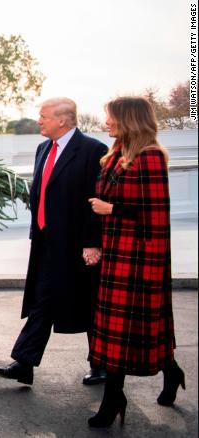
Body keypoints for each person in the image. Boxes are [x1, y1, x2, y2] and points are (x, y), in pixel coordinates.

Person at [0, 97, 108, 385]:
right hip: (46, 243)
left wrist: (92, 242)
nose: (39, 121)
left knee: (88, 303)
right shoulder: (43, 148)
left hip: (78, 245)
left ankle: (102, 365)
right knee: (42, 300)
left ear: (63, 121)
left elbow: (98, 201)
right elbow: (40, 194)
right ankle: (24, 363)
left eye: (44, 116)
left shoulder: (93, 151)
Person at [86, 96, 184, 428]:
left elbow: (156, 216)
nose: (106, 123)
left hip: (141, 255)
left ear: (129, 120)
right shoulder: (113, 156)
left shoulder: (150, 157)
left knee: (132, 328)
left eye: (111, 117)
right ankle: (170, 372)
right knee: (122, 329)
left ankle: (114, 398)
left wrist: (110, 209)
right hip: (115, 252)